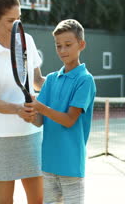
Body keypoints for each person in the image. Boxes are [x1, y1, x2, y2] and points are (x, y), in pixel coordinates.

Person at [0, 0, 45, 204]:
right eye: (9, 20)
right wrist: (17, 109)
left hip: (32, 133)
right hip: (3, 138)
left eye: (19, 19)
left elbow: (37, 81)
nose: (16, 24)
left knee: (38, 201)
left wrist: (63, 83)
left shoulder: (28, 42)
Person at [27, 19, 96, 204]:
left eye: (68, 45)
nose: (62, 51)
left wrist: (40, 107)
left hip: (71, 166)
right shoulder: (50, 79)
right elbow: (39, 120)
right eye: (58, 46)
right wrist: (29, 114)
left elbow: (68, 120)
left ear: (81, 45)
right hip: (48, 164)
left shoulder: (85, 80)